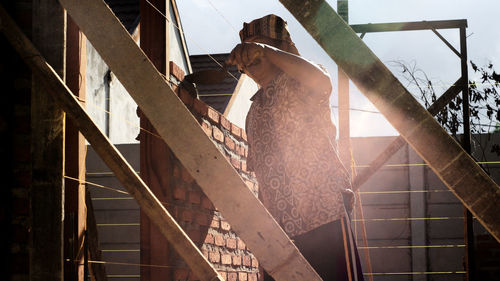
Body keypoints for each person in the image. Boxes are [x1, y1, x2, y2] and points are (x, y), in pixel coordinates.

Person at [226, 15, 365, 281]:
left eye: (259, 49)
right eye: (246, 53)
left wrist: (266, 51)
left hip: (324, 219)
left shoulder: (303, 84)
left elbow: (322, 80)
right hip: (279, 233)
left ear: (281, 49)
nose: (251, 60)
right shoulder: (253, 111)